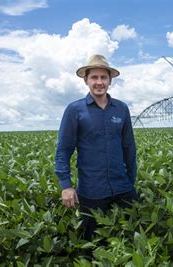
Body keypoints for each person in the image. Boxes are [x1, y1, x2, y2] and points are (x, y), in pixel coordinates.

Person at [54, 54, 138, 241]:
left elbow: (129, 147)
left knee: (132, 239)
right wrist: (66, 186)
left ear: (110, 80)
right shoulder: (74, 110)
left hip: (123, 187)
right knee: (93, 245)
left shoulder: (121, 109)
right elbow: (63, 150)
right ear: (86, 80)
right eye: (94, 77)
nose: (99, 82)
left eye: (103, 77)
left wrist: (131, 180)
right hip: (92, 191)